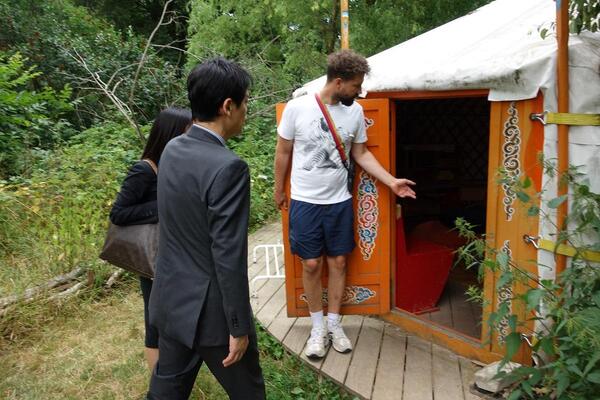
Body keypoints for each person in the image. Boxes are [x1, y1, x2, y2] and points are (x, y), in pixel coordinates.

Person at [274, 50, 416, 359]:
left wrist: (391, 181)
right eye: (356, 86)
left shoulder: (355, 113)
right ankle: (317, 328)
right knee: (311, 264)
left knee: (338, 262)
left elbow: (361, 153)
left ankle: (334, 324)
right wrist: (278, 189)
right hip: (305, 201)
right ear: (338, 82)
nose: (359, 92)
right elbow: (283, 151)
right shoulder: (297, 109)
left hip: (339, 202)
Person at [147, 58, 265, 400]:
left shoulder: (172, 149)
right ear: (227, 107)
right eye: (245, 102)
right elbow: (228, 255)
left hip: (171, 301)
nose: (246, 110)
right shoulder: (229, 167)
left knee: (165, 393)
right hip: (213, 318)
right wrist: (238, 326)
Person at [109, 107, 192, 371]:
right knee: (154, 319)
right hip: (154, 259)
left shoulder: (176, 167)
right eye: (187, 133)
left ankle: (175, 372)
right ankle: (158, 383)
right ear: (170, 135)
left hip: (178, 254)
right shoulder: (144, 170)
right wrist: (161, 206)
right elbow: (118, 213)